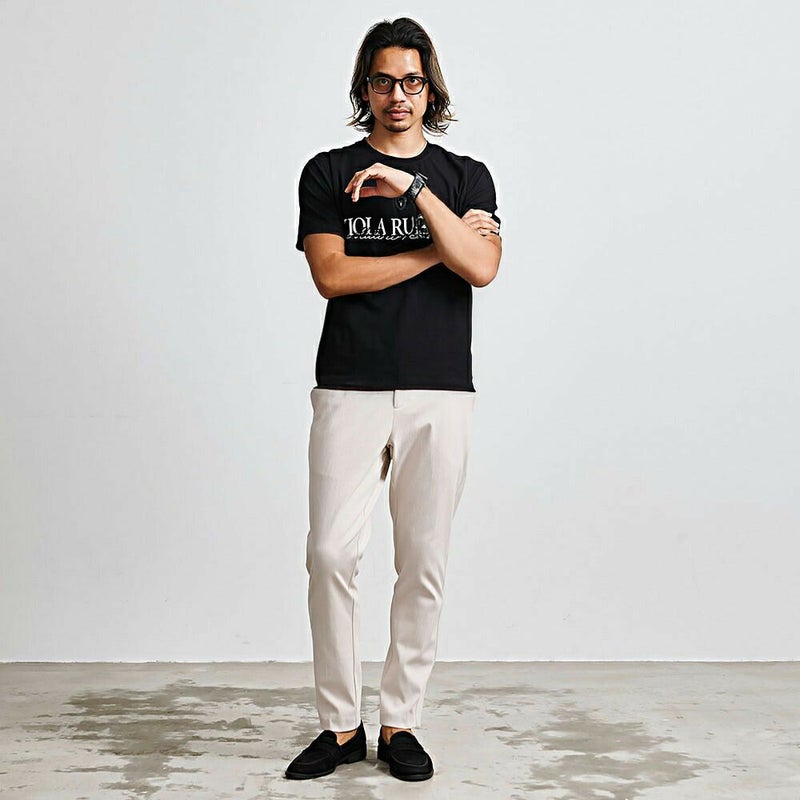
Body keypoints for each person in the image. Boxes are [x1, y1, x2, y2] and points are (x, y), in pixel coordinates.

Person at [285, 16, 502, 783]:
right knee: (330, 555)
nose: (398, 95)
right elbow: (333, 276)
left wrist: (414, 190)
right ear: (365, 88)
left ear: (429, 89)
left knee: (423, 562)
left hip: (440, 390)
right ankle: (340, 727)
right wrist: (435, 249)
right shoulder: (328, 172)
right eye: (383, 81)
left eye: (412, 80)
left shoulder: (465, 176)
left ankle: (400, 720)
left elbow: (482, 267)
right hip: (349, 383)